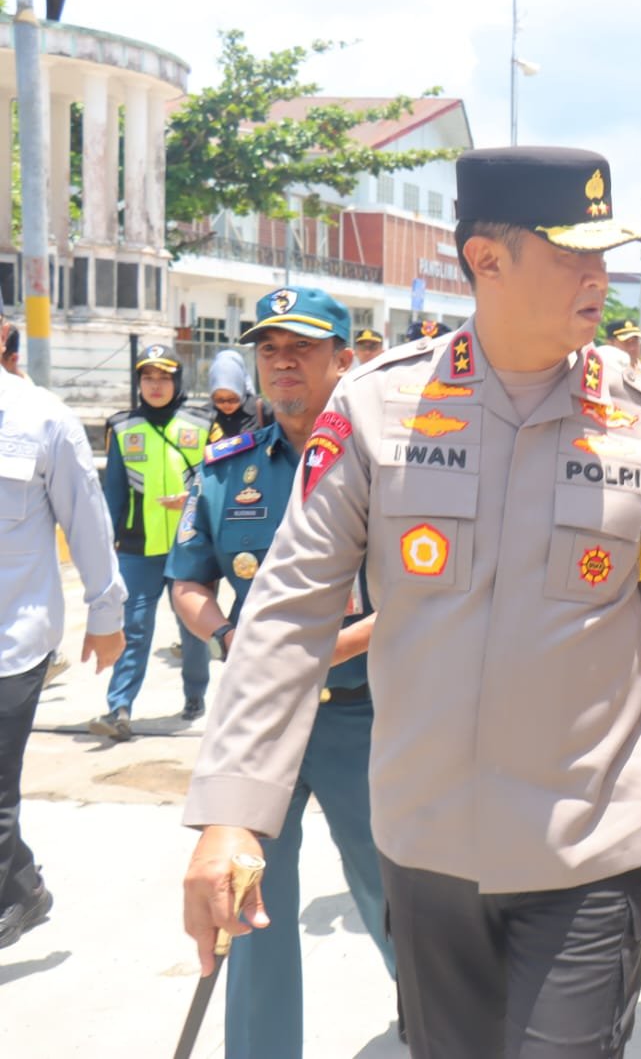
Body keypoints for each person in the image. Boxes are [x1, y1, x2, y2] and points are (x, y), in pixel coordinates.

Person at [179, 146, 641, 1058]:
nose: (600, 276)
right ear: (487, 259)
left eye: (604, 254)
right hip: (426, 850)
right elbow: (288, 611)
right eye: (573, 253)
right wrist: (232, 810)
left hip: (590, 853)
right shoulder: (378, 407)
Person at [169, 286, 397, 1056]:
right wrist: (230, 635)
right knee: (248, 897)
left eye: (302, 347)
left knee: (392, 887)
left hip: (364, 715)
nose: (283, 362)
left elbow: (427, 597)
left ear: (344, 359)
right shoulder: (227, 468)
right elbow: (188, 581)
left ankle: (437, 1012)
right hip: (261, 716)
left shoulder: (390, 466)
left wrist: (333, 647)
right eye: (269, 349)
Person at [0, 369, 126, 949]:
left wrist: (106, 615)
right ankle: (23, 887)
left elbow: (88, 523)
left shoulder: (44, 420)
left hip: (12, 641)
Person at [92, 344, 211, 737]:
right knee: (134, 628)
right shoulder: (122, 428)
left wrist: (192, 499)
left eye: (164, 378)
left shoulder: (202, 423)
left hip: (189, 547)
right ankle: (119, 708)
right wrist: (105, 546)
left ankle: (195, 695)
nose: (155, 385)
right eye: (147, 378)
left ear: (177, 381)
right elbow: (113, 492)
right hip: (136, 549)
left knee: (192, 629)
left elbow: (217, 483)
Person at [206, 348, 274, 444]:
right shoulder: (205, 415)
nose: (226, 404)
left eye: (232, 399)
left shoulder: (261, 410)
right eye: (219, 400)